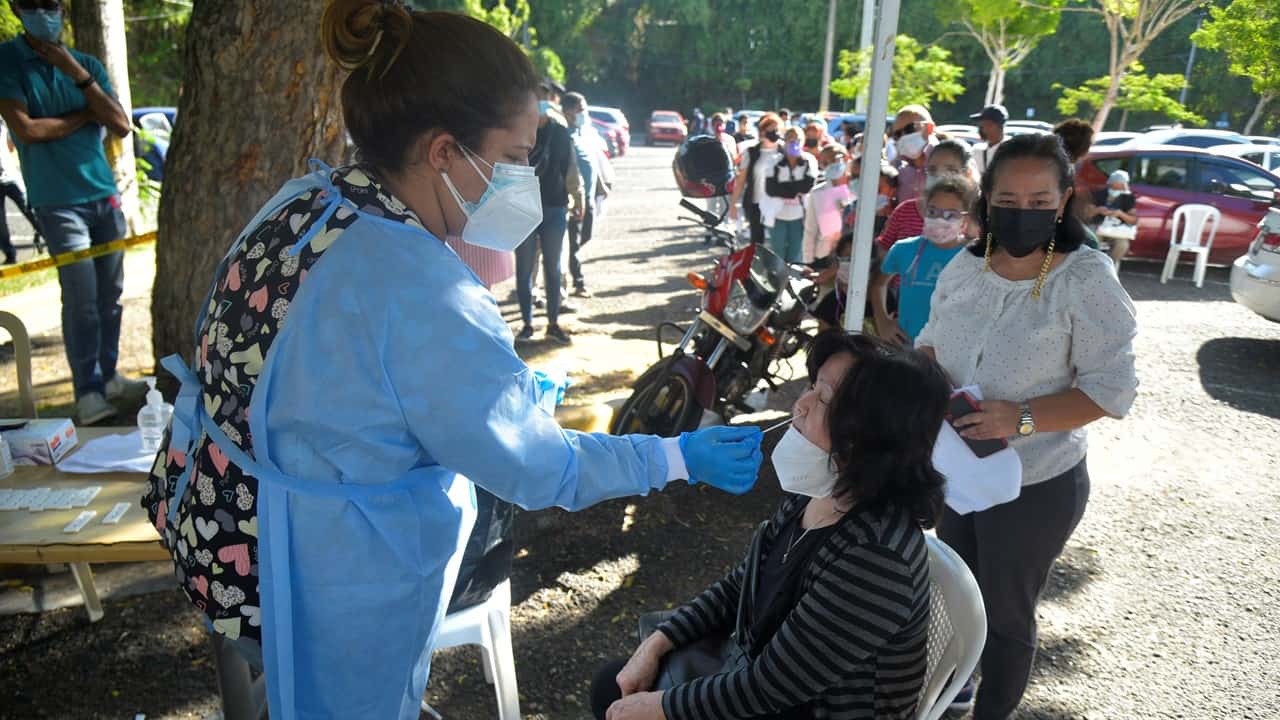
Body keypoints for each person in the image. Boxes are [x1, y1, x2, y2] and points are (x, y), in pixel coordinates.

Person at [139, 6, 766, 719]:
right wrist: (674, 456)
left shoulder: (305, 202)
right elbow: (540, 466)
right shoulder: (420, 289)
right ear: (444, 151)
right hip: (318, 578)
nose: (528, 176)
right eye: (517, 156)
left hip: (222, 529)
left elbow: (327, 377)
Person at [592, 332, 947, 720]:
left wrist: (661, 708)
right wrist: (659, 641)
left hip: (805, 708)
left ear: (872, 436)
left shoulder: (876, 557)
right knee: (612, 685)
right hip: (759, 679)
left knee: (620, 702)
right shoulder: (818, 492)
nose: (801, 405)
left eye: (825, 399)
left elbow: (770, 687)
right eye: (812, 386)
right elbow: (740, 585)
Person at [916, 133, 1138, 718]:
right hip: (958, 473)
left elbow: (1112, 390)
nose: (1023, 212)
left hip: (1036, 483)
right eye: (1008, 200)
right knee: (953, 599)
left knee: (1005, 616)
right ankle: (948, 698)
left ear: (1063, 200)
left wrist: (1021, 417)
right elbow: (931, 342)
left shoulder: (1086, 279)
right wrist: (922, 379)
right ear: (987, 198)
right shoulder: (965, 267)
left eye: (1040, 201)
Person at [0, 0, 145, 425]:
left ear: (63, 9)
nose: (44, 13)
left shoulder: (86, 64)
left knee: (110, 295)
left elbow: (120, 124)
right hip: (56, 200)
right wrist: (85, 115)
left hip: (103, 194)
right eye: (33, 4)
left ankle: (109, 376)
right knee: (82, 299)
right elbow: (27, 129)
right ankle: (88, 392)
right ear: (17, 9)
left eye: (51, 5)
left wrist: (76, 73)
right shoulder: (8, 61)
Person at [871, 173, 978, 346]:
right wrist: (882, 321)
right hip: (907, 346)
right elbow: (878, 284)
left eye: (950, 214)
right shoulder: (904, 249)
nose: (939, 219)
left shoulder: (976, 256)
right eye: (933, 211)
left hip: (953, 348)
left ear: (965, 219)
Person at [515, 82, 583, 344]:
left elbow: (571, 168)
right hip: (523, 208)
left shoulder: (560, 132)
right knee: (524, 268)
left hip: (555, 206)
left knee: (553, 267)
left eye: (544, 97)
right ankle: (527, 324)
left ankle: (553, 323)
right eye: (536, 97)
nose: (541, 102)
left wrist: (578, 197)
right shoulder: (517, 132)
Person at [877, 139, 974, 255]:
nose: (940, 175)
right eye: (933, 170)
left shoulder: (975, 218)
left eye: (951, 170)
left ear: (967, 174)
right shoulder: (905, 210)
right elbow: (883, 247)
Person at [562, 91, 609, 298]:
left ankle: (564, 260)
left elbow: (591, 163)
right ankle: (578, 281)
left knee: (585, 236)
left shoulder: (584, 132)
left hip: (589, 197)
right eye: (580, 109)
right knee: (574, 243)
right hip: (575, 200)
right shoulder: (565, 135)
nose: (584, 113)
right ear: (568, 112)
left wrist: (600, 186)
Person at [763, 126, 817, 263]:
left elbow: (807, 186)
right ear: (785, 141)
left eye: (797, 139)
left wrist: (784, 188)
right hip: (778, 215)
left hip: (799, 216)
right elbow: (771, 189)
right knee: (778, 251)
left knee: (796, 251)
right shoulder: (773, 160)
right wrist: (794, 190)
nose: (794, 142)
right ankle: (778, 275)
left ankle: (793, 275)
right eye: (790, 139)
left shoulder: (809, 161)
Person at [728, 112, 782, 245]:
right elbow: (741, 180)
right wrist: (733, 204)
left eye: (777, 129)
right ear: (762, 131)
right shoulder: (751, 152)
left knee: (777, 243)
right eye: (771, 129)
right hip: (756, 204)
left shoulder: (784, 152)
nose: (775, 133)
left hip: (780, 205)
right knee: (757, 243)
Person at [0, 117, 43, 264]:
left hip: (11, 176)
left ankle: (50, 239)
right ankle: (10, 255)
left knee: (31, 210)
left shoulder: (3, 126)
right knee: (0, 223)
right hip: (9, 176)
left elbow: (11, 145)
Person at [801, 142, 852, 263]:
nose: (829, 165)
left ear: (845, 158)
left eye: (833, 160)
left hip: (849, 255)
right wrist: (808, 261)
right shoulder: (817, 192)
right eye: (824, 163)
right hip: (824, 256)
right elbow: (810, 230)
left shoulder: (855, 188)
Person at [1087, 169, 1138, 269]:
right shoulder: (1098, 194)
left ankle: (1107, 266)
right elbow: (1086, 214)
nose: (1117, 189)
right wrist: (1098, 210)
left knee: (1122, 245)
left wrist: (1120, 214)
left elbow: (1133, 220)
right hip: (1098, 227)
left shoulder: (1128, 198)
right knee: (1092, 240)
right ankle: (1090, 265)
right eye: (1115, 186)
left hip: (1116, 230)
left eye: (1120, 187)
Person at [888, 104, 937, 204]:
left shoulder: (952, 159)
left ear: (930, 128)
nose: (903, 136)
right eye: (897, 134)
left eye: (910, 129)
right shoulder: (899, 170)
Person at [970, 103, 1008, 177]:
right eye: (981, 125)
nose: (982, 129)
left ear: (1000, 126)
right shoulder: (977, 150)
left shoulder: (1012, 150)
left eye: (987, 124)